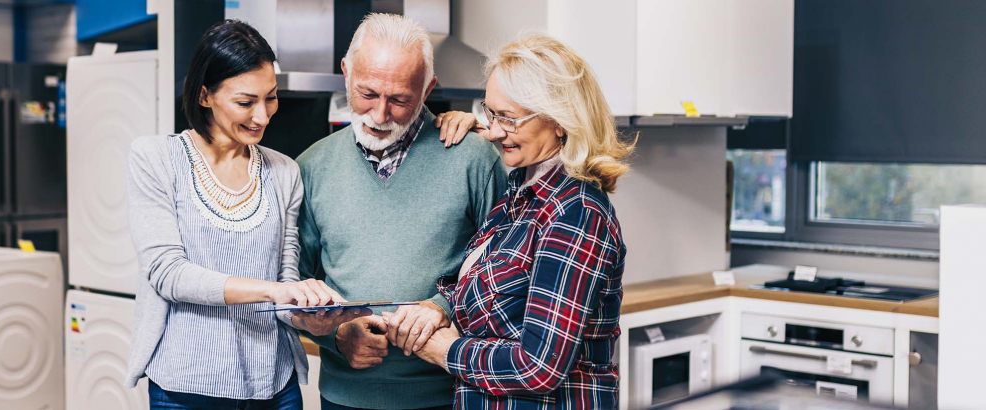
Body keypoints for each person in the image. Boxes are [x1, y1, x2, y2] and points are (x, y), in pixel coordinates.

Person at [122, 20, 360, 410]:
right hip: (186, 387)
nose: (263, 116)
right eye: (245, 102)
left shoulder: (284, 172)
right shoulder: (155, 159)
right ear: (204, 96)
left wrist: (309, 316)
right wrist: (273, 291)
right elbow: (168, 273)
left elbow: (286, 279)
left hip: (274, 385)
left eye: (271, 98)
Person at [294, 13, 509, 410]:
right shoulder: (310, 166)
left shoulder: (474, 159)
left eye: (399, 100)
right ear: (346, 71)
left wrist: (442, 308)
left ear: (428, 89)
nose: (379, 115)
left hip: (448, 396)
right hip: (344, 399)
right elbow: (294, 285)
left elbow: (507, 269)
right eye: (367, 93)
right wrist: (338, 337)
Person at [408, 34, 633, 409]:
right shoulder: (519, 193)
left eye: (508, 119)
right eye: (491, 113)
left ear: (560, 120)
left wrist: (448, 351)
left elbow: (539, 367)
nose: (495, 132)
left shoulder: (575, 212)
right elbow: (491, 284)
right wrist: (435, 307)